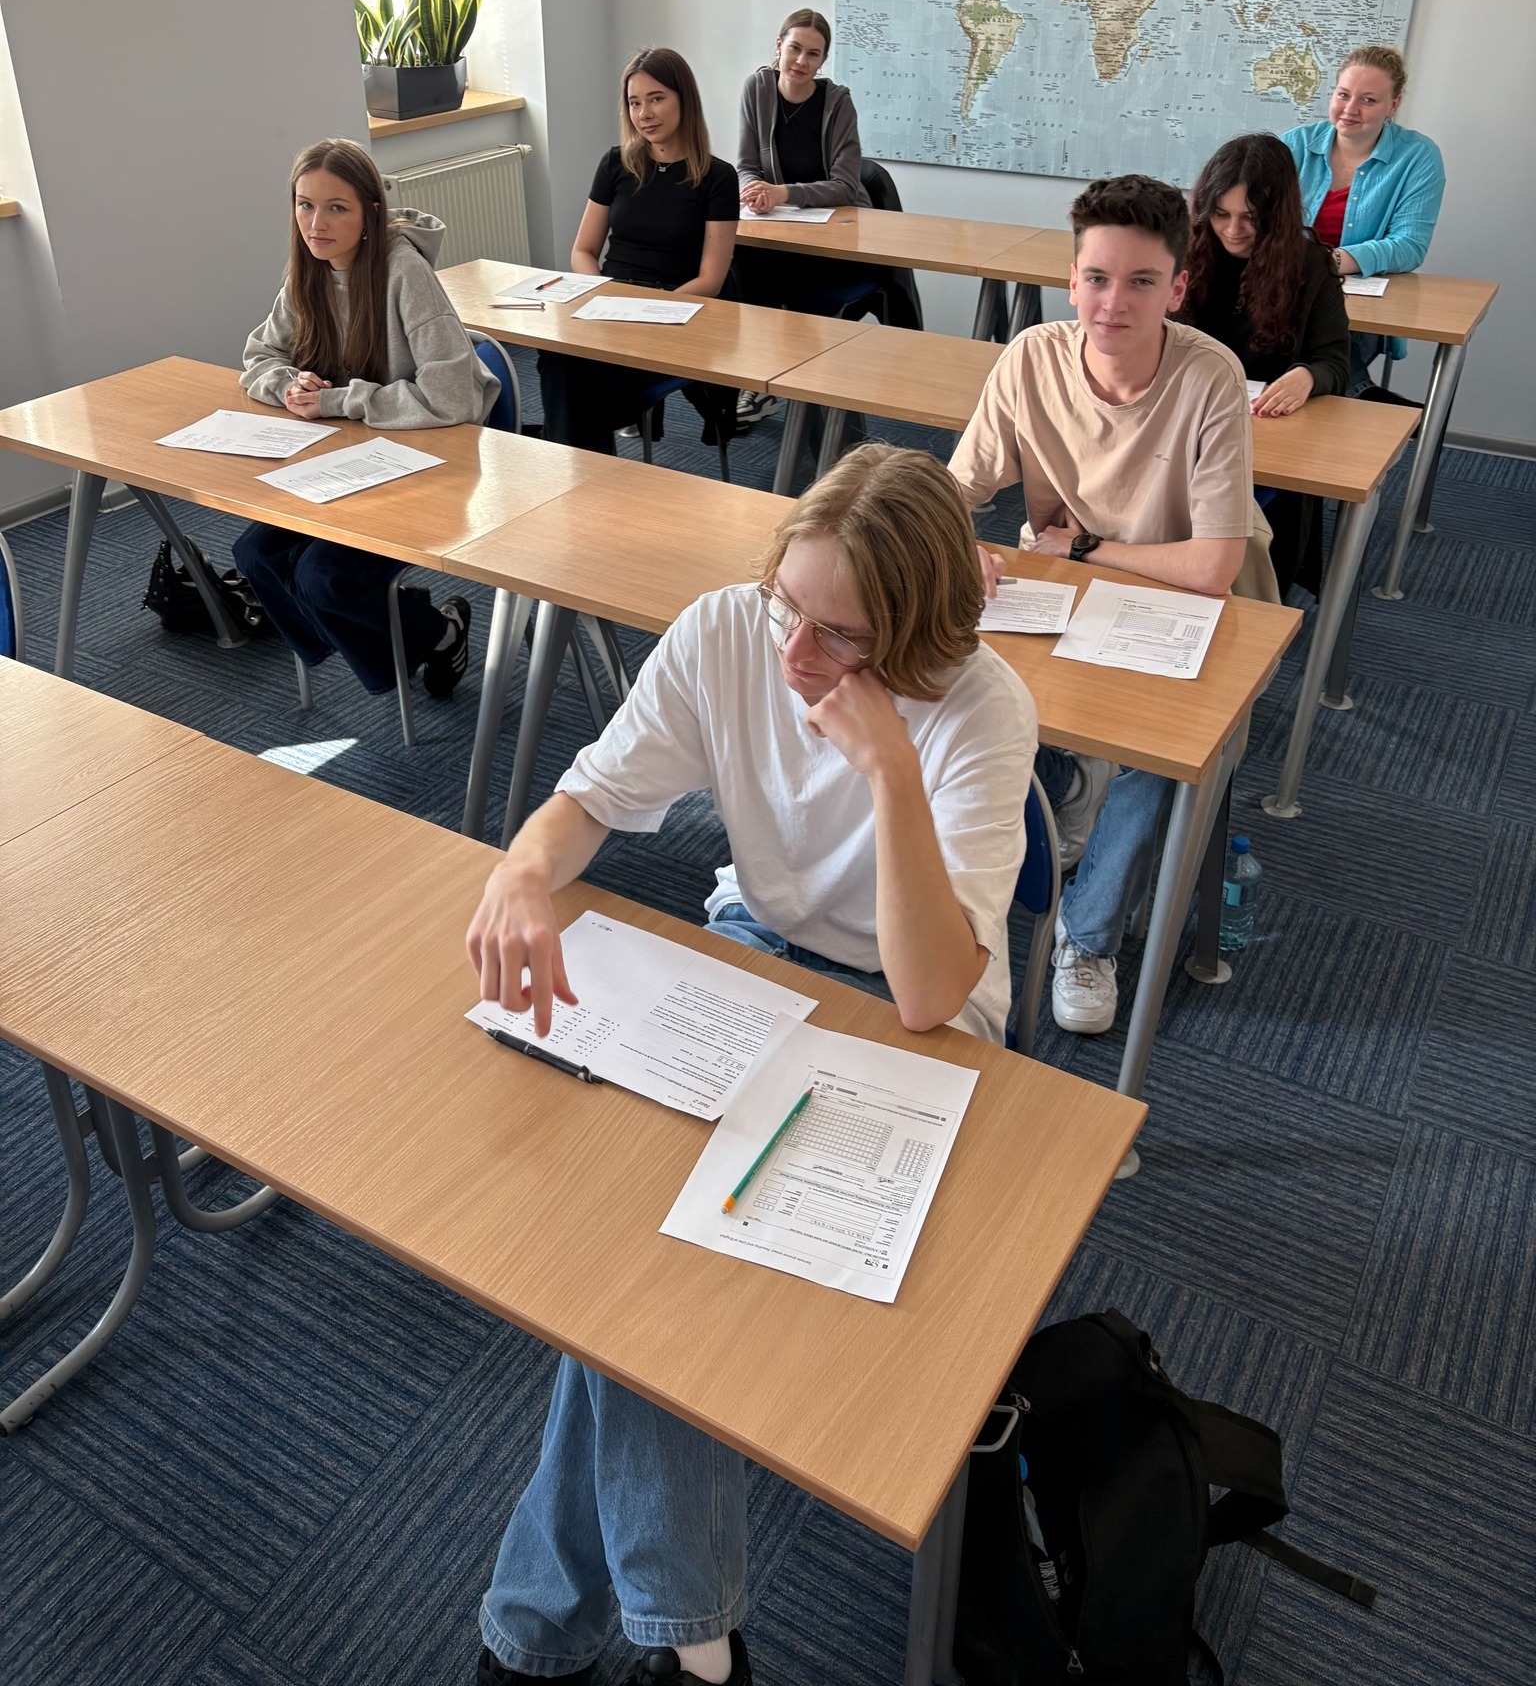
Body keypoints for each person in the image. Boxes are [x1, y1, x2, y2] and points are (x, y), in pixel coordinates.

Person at [464, 444, 1037, 1686]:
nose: (795, 654)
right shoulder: (731, 630)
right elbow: (592, 798)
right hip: (757, 953)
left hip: (913, 1006)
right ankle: (700, 1648)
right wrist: (519, 867)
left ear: (919, 634)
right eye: (790, 604)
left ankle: (556, 1634)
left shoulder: (982, 709)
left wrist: (888, 765)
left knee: (651, 1275)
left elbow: (937, 991)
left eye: (840, 633)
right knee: (641, 1255)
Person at [949, 174, 1266, 1036]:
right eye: (1096, 278)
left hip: (1186, 603)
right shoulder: (1031, 358)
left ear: (1179, 288)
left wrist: (1087, 547)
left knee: (1161, 755)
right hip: (1062, 591)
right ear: (1071, 278)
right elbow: (954, 488)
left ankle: (1086, 939)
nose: (1111, 303)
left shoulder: (1210, 378)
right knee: (955, 675)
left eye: (1140, 283)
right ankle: (1055, 808)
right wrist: (951, 537)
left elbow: (1212, 565)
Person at [236, 138, 498, 699]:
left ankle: (434, 634)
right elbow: (260, 355)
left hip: (432, 467)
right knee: (253, 553)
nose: (316, 223)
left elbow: (453, 397)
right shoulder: (307, 273)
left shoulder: (405, 273)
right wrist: (290, 385)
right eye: (304, 205)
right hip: (349, 464)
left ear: (369, 213)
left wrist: (336, 400)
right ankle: (405, 637)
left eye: (336, 207)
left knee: (322, 576)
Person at [539, 47, 739, 454]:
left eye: (657, 98)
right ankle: (580, 466)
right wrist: (601, 295)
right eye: (634, 102)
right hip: (610, 306)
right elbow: (583, 250)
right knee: (558, 356)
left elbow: (711, 280)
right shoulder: (616, 164)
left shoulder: (718, 177)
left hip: (674, 313)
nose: (644, 113)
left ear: (684, 99)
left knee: (584, 382)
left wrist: (649, 313)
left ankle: (574, 468)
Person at [1181, 133, 1349, 595]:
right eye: (1221, 214)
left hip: (1267, 433)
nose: (1233, 230)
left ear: (1277, 216)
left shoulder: (1311, 266)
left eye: (1251, 218)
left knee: (1248, 545)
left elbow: (1335, 361)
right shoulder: (1184, 254)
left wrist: (1307, 375)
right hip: (1187, 421)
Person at [734, 9, 901, 428]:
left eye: (813, 54)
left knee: (785, 286)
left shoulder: (837, 103)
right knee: (737, 264)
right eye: (794, 49)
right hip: (778, 229)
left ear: (823, 60)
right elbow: (745, 164)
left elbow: (846, 185)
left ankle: (803, 382)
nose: (801, 62)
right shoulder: (757, 89)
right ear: (778, 46)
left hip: (835, 237)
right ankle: (763, 378)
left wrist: (783, 193)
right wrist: (753, 190)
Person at [1282, 44, 1446, 391]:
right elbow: (1257, 222)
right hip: (1285, 290)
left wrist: (1329, 262)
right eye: (1343, 95)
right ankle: (1369, 399)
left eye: (1368, 100)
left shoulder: (1418, 157)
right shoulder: (1293, 145)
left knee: (1316, 339)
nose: (1350, 109)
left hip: (1360, 303)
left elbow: (1409, 245)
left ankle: (1360, 399)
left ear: (1394, 105)